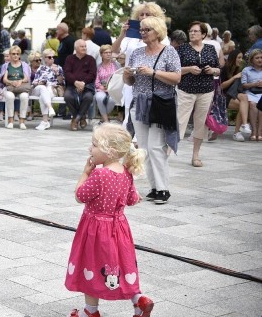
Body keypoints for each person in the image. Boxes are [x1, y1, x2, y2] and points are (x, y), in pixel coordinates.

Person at [64, 124, 153, 317]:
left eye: (94, 145)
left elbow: (80, 196)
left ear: (109, 151)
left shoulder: (99, 175)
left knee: (92, 265)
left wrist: (85, 173)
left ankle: (90, 313)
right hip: (119, 229)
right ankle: (139, 300)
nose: (90, 149)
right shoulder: (125, 172)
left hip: (96, 229)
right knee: (119, 265)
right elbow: (132, 199)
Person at [124, 16, 181, 205]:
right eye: (141, 29)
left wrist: (153, 72)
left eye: (146, 29)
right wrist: (127, 75)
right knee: (145, 149)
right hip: (139, 105)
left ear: (157, 32)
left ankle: (163, 189)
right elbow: (130, 82)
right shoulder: (137, 52)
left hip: (159, 104)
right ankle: (154, 188)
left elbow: (176, 78)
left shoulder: (169, 52)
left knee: (157, 147)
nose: (143, 32)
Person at [176, 21, 220, 166]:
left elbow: (218, 69)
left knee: (200, 124)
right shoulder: (182, 48)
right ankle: (167, 153)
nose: (192, 33)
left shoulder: (210, 49)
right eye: (191, 31)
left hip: (206, 90)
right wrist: (189, 69)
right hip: (186, 90)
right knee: (179, 122)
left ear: (203, 34)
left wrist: (212, 70)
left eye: (195, 31)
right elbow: (174, 70)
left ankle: (195, 156)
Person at [63, 39, 97, 130]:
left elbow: (92, 74)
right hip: (72, 85)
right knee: (67, 96)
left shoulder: (91, 59)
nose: (84, 48)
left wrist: (83, 83)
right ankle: (80, 118)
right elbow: (67, 73)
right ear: (76, 48)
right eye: (82, 46)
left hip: (87, 86)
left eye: (85, 46)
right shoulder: (69, 59)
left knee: (88, 97)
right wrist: (75, 82)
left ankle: (75, 119)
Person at [219, 49, 250, 141]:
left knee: (244, 97)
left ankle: (244, 125)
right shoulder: (224, 69)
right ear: (233, 58)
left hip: (233, 95)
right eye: (239, 58)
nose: (241, 60)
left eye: (242, 58)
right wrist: (234, 78)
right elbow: (221, 86)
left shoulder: (237, 69)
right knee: (242, 105)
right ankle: (237, 132)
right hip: (222, 96)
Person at [30, 49, 64, 130]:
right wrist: (40, 83)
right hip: (38, 88)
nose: (52, 58)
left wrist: (57, 73)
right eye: (49, 57)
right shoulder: (41, 68)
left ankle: (44, 121)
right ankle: (50, 108)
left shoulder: (58, 68)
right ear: (44, 58)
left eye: (53, 57)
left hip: (52, 89)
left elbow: (62, 83)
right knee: (42, 88)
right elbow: (34, 81)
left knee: (44, 94)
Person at [1, 46, 32, 129]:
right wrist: (11, 82)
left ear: (19, 55)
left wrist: (20, 81)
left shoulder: (24, 65)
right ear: (10, 55)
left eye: (17, 54)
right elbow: (4, 79)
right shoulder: (6, 65)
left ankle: (22, 121)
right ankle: (11, 121)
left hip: (22, 87)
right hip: (10, 87)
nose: (15, 55)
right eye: (13, 54)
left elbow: (27, 78)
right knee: (9, 96)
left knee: (24, 96)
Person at [94, 45, 121, 125]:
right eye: (106, 53)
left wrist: (111, 87)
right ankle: (106, 120)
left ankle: (103, 119)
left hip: (113, 88)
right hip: (101, 88)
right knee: (99, 98)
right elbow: (96, 80)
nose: (108, 54)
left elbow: (119, 77)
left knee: (112, 100)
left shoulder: (116, 65)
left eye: (110, 52)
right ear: (101, 54)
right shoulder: (98, 66)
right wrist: (100, 86)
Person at [241, 48, 262, 140]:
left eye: (261, 57)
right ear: (252, 60)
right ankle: (253, 131)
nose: (260, 60)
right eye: (257, 58)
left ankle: (259, 131)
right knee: (253, 105)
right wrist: (255, 84)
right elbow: (244, 85)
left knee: (261, 106)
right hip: (251, 92)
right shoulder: (246, 70)